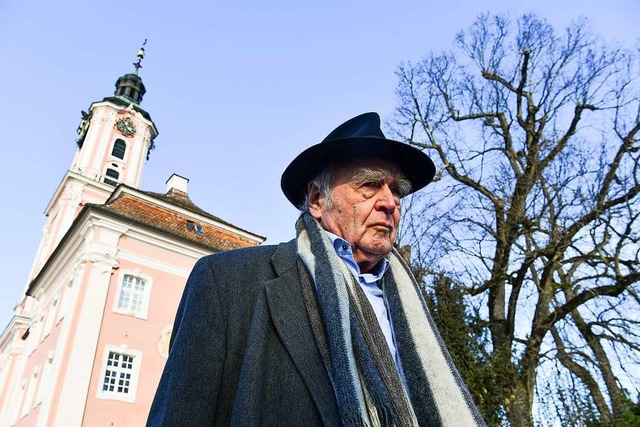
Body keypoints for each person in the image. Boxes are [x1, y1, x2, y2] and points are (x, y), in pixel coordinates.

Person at [147, 113, 485, 426]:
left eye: (396, 190)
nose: (390, 202)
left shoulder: (413, 309)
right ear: (317, 200)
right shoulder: (228, 282)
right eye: (369, 185)